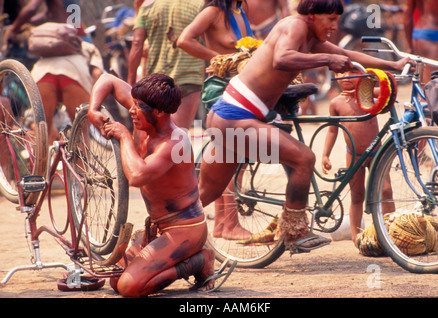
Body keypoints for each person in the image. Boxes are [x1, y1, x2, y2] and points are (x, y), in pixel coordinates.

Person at [197, 0, 413, 253]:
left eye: (336, 20)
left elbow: (348, 56)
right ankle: (295, 230)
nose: (335, 26)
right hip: (234, 115)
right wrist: (327, 58)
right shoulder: (295, 26)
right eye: (330, 19)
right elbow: (281, 58)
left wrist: (394, 64)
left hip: (230, 115)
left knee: (204, 193)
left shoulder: (310, 36)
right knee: (303, 158)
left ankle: (160, 227)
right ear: (312, 15)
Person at [87, 73, 215, 297]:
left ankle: (198, 260)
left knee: (129, 288)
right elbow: (108, 79)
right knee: (116, 280)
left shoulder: (174, 142)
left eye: (139, 106)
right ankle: (176, 257)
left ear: (160, 112)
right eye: (133, 103)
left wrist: (124, 136)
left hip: (185, 230)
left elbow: (137, 176)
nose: (131, 110)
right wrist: (93, 109)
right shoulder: (144, 110)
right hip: (158, 227)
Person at [178, 0, 255, 240]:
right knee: (230, 155)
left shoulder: (238, 11)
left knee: (235, 159)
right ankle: (229, 224)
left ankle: (223, 224)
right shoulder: (213, 12)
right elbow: (184, 40)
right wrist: (218, 59)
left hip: (241, 87)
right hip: (221, 88)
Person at [6, 0, 103, 144]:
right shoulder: (72, 8)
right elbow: (97, 74)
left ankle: (42, 162)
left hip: (44, 71)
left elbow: (32, 8)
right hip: (75, 68)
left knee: (42, 133)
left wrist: (14, 29)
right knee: (81, 137)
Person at [321, 70, 394, 245]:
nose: (347, 76)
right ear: (336, 77)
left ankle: (391, 231)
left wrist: (376, 82)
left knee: (385, 191)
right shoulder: (336, 103)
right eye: (342, 72)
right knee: (356, 195)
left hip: (376, 152)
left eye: (353, 72)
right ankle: (357, 237)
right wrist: (325, 154)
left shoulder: (368, 94)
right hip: (353, 155)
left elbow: (388, 91)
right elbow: (332, 130)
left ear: (362, 76)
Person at [127, 0, 204, 129]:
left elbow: (136, 43)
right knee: (177, 134)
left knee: (146, 137)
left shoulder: (148, 5)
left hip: (154, 84)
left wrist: (131, 80)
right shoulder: (199, 5)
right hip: (189, 78)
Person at [403, 0, 438, 84]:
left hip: (417, 35)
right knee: (434, 84)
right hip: (436, 35)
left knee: (422, 81)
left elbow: (407, 15)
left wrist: (410, 45)